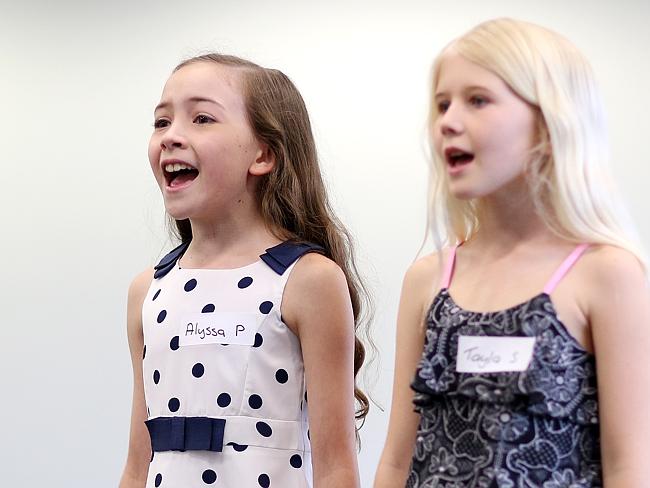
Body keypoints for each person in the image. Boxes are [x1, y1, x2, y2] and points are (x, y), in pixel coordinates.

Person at [374, 18, 650, 488]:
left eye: (477, 100)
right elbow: (397, 462)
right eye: (442, 104)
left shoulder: (605, 274)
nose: (448, 121)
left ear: (548, 121)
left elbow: (628, 468)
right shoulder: (429, 279)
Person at [119, 53, 369, 488]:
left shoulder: (307, 280)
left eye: (201, 119)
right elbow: (138, 464)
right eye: (161, 122)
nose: (171, 136)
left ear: (263, 154)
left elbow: (337, 470)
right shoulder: (148, 291)